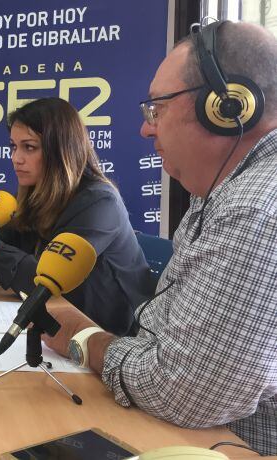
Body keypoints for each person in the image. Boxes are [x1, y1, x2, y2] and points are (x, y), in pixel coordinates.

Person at [41, 21, 277, 455]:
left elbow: (182, 393)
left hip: (220, 446)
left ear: (227, 106)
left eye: (157, 108)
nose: (146, 129)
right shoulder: (215, 194)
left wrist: (86, 339)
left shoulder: (256, 209)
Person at [0, 97, 154, 336]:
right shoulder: (36, 195)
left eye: (29, 147)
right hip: (63, 326)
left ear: (61, 149)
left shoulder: (100, 203)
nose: (16, 158)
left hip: (109, 338)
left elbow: (43, 282)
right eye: (13, 146)